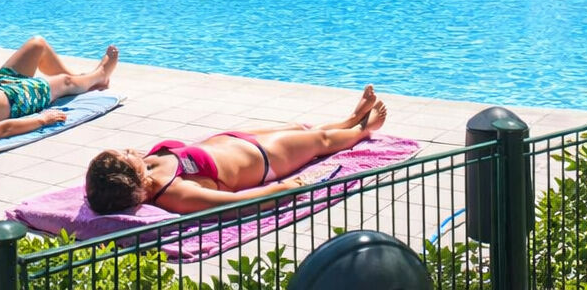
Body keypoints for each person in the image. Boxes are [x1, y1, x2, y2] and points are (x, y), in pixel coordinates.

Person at [83, 86, 387, 214]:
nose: (129, 149)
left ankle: (348, 119)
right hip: (265, 159)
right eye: (125, 156)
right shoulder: (173, 193)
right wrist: (283, 189)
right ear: (133, 178)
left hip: (235, 141)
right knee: (320, 142)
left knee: (299, 128)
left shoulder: (147, 166)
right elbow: (234, 204)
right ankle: (363, 128)